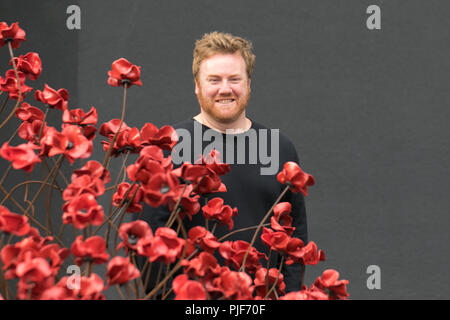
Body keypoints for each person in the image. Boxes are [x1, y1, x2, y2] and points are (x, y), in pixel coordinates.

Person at [136, 31, 308, 295]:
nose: (225, 89)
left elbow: (296, 238)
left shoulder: (279, 148)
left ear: (249, 83)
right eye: (214, 79)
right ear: (197, 84)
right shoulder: (169, 146)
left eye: (234, 79)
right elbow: (148, 245)